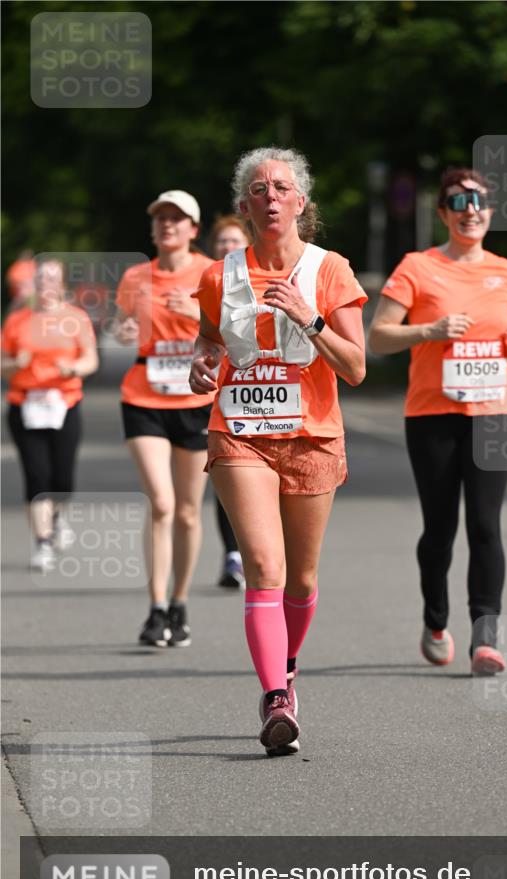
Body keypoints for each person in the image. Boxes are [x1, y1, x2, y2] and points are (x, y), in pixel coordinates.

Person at [190, 147, 366, 755]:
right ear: (245, 206)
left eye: (281, 188)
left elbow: (357, 368)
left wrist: (312, 321)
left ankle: (287, 666)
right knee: (264, 567)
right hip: (239, 432)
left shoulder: (331, 270)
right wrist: (202, 363)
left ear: (300, 203)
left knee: (302, 576)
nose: (270, 197)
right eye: (259, 189)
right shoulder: (219, 275)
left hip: (311, 436)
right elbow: (208, 340)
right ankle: (275, 701)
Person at [368, 167, 507, 675]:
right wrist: (431, 330)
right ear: (443, 213)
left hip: (496, 410)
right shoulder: (417, 267)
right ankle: (436, 620)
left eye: (479, 201)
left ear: (490, 210)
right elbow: (378, 337)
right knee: (440, 529)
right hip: (433, 413)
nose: (471, 211)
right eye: (459, 203)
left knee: (485, 526)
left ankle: (486, 636)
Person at [115, 190, 216, 648]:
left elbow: (232, 332)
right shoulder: (136, 277)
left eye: (178, 219)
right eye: (161, 219)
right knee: (161, 502)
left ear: (194, 229)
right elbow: (125, 326)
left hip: (195, 401)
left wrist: (195, 313)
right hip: (144, 396)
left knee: (190, 512)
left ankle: (180, 601)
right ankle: (155, 609)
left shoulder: (211, 273)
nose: (168, 226)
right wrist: (123, 330)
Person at [2, 257, 98, 568]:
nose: (45, 285)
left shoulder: (76, 318)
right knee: (36, 474)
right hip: (25, 403)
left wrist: (73, 368)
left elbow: (90, 359)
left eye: (52, 279)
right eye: (40, 279)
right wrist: (15, 365)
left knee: (62, 478)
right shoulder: (17, 321)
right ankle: (42, 541)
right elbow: (2, 363)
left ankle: (57, 516)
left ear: (62, 285)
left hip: (64, 403)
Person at [207, 213, 253, 589]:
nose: (227, 247)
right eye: (222, 242)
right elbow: (202, 334)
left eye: (234, 241)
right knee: (230, 480)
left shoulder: (263, 280)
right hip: (216, 398)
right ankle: (234, 554)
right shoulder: (208, 280)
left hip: (268, 401)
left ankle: (262, 552)